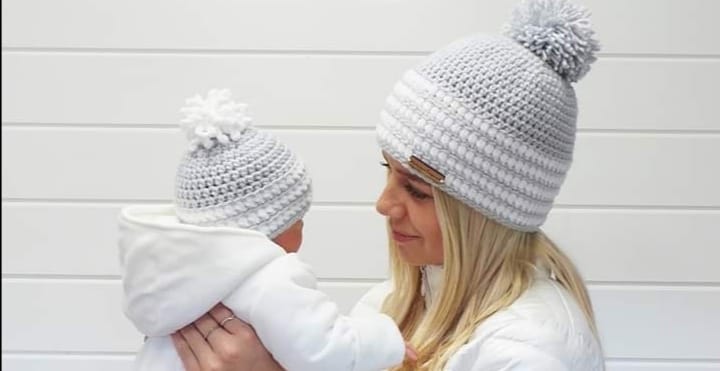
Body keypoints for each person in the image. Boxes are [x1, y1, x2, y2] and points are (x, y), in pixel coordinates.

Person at [172, 0, 606, 369]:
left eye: (417, 191)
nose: (384, 205)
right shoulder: (398, 303)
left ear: (486, 214)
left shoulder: (529, 350)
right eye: (388, 172)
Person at [118, 89, 415, 371]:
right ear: (272, 228)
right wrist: (384, 340)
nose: (302, 230)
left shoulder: (170, 283)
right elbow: (322, 349)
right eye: (298, 220)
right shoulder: (270, 279)